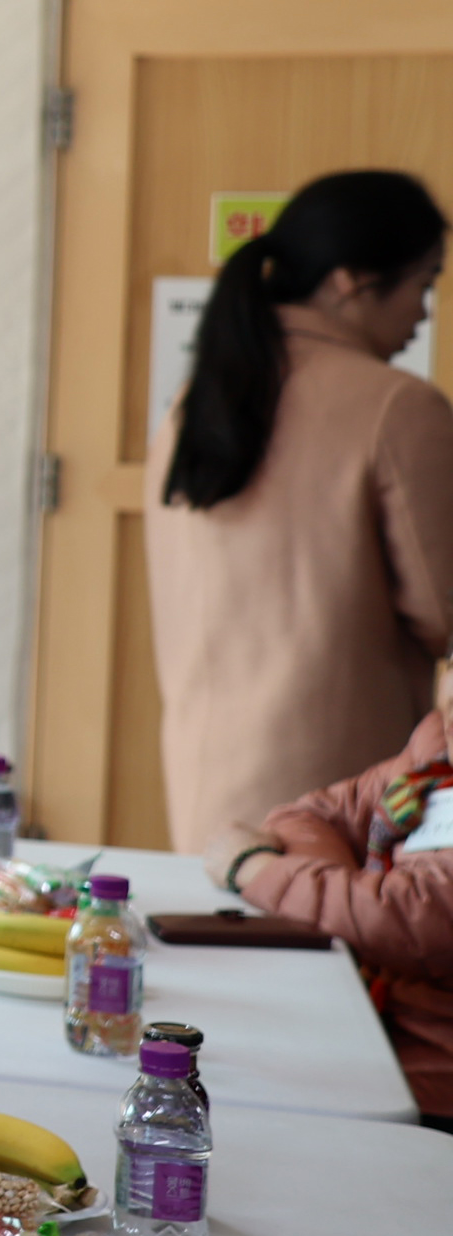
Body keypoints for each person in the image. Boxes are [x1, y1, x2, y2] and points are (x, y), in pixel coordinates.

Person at [151, 169, 453, 853]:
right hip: (339, 802)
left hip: (207, 794)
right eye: (422, 284)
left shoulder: (194, 404)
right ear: (350, 282)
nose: (425, 313)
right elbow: (445, 611)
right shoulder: (397, 407)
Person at [208, 712, 453, 1127]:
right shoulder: (435, 747)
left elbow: (412, 922)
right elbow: (309, 816)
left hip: (428, 1081)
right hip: (367, 1025)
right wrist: (345, 907)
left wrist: (256, 870)